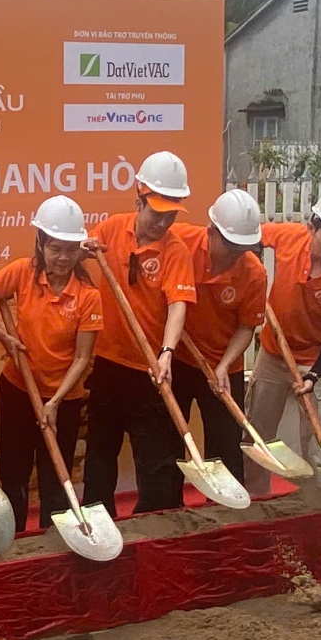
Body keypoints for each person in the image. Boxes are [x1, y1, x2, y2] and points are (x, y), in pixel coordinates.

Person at [82, 150, 198, 515]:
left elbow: (178, 304)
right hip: (108, 362)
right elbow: (74, 252)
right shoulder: (112, 229)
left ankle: (156, 524)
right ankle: (99, 518)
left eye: (170, 214)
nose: (163, 222)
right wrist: (82, 247)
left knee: (157, 461)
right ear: (139, 200)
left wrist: (167, 351)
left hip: (150, 370)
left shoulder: (176, 250)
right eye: (157, 212)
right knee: (100, 451)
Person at [0, 195, 103, 532]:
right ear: (40, 243)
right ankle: (14, 537)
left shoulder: (88, 295)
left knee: (54, 475)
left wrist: (54, 401)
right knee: (14, 471)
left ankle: (53, 542)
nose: (63, 257)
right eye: (54, 248)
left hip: (64, 399)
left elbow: (82, 358)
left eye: (70, 248)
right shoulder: (23, 272)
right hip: (18, 390)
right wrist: (3, 337)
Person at [247, 187, 321, 475]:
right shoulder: (290, 237)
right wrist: (251, 262)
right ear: (311, 228)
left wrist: (313, 375)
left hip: (318, 362)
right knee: (256, 437)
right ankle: (256, 502)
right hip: (274, 353)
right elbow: (250, 236)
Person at [169, 189, 268, 492]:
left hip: (225, 365)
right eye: (231, 245)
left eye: (243, 247)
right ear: (211, 231)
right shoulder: (180, 243)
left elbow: (246, 328)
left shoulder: (254, 273)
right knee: (170, 439)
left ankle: (227, 513)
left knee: (226, 445)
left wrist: (224, 365)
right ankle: (168, 509)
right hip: (179, 359)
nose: (237, 253)